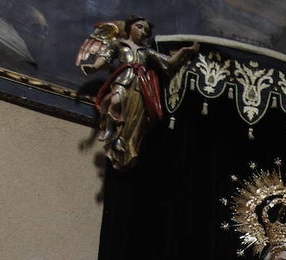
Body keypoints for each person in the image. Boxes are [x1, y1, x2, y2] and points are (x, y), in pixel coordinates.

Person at [77, 17, 199, 169]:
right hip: (122, 80)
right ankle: (109, 130)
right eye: (139, 27)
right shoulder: (118, 44)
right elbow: (105, 57)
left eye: (146, 30)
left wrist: (184, 51)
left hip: (140, 87)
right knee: (115, 101)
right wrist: (94, 67)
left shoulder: (147, 52)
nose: (142, 32)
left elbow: (168, 62)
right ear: (130, 27)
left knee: (134, 118)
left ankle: (123, 142)